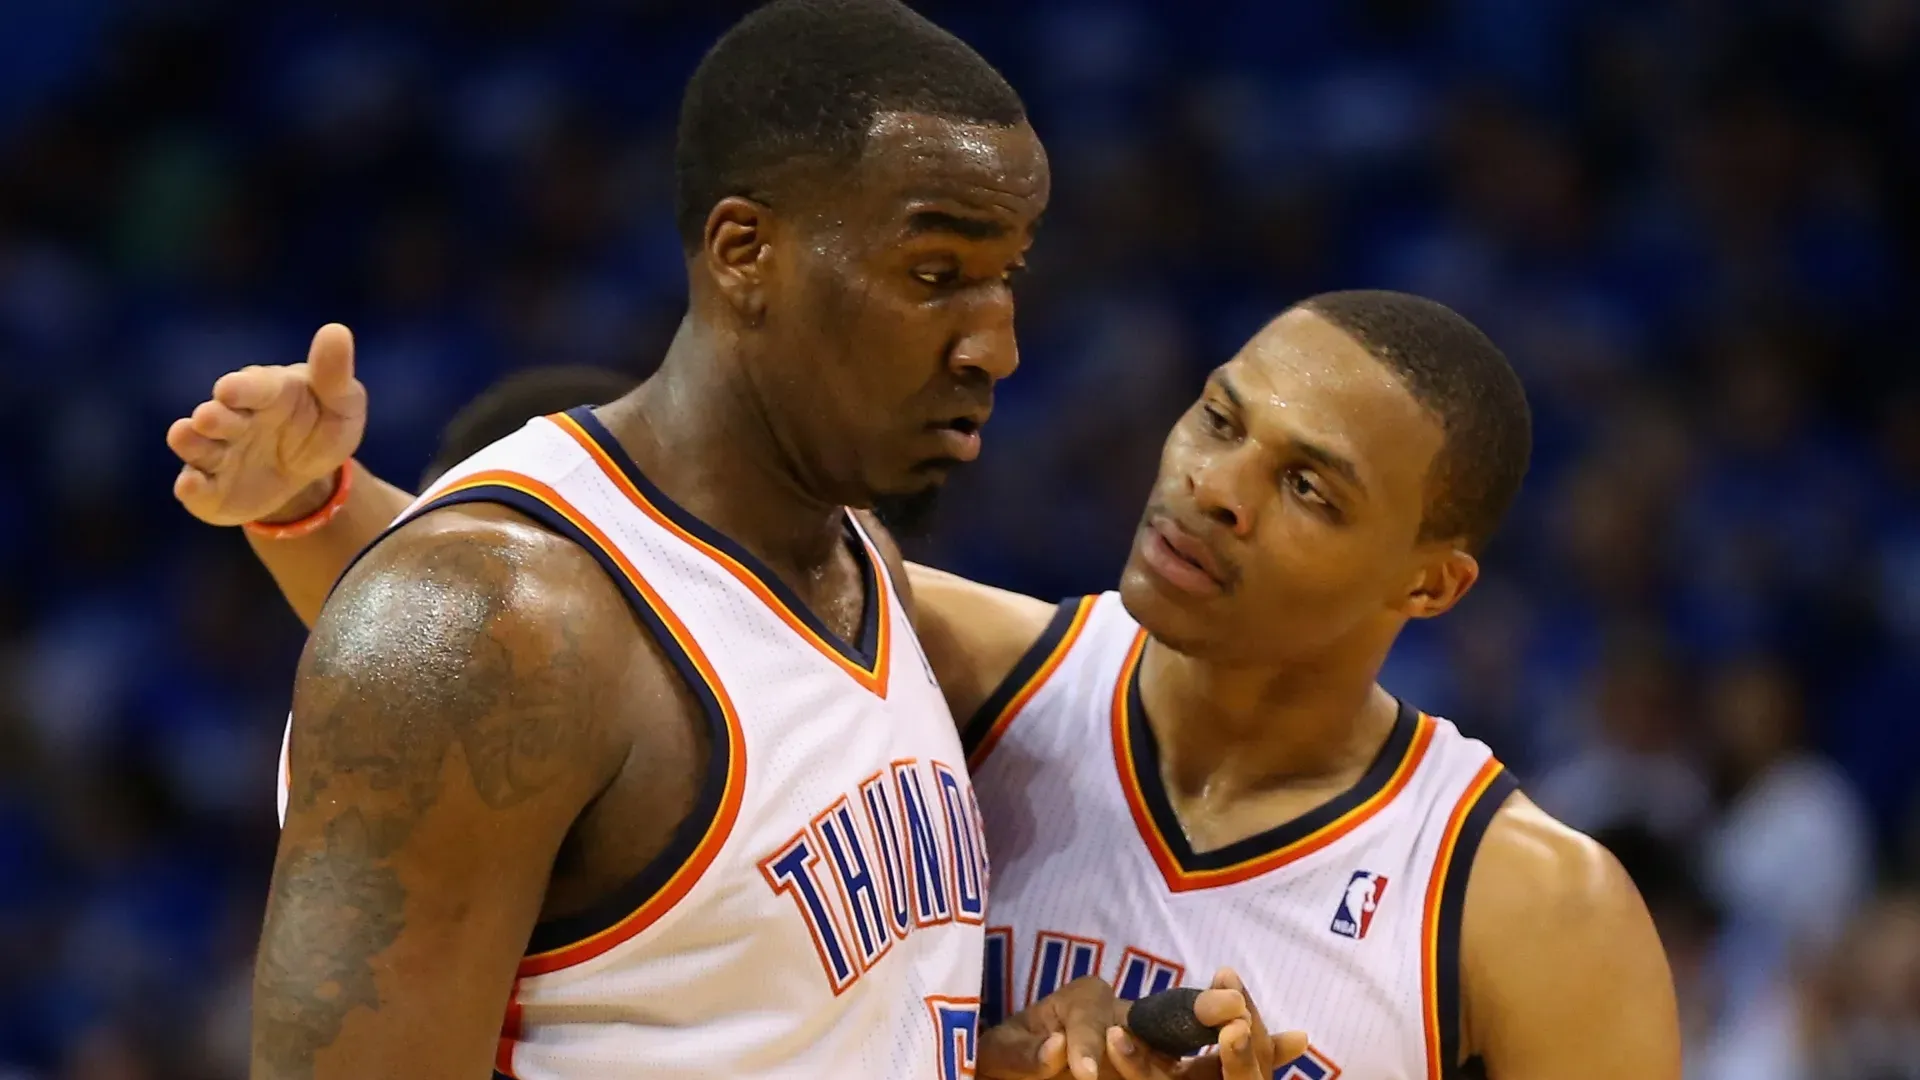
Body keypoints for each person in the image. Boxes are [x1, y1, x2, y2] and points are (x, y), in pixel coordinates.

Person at [177, 290, 1682, 1078]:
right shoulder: (955, 668)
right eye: (1220, 419)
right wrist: (315, 505)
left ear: (1430, 582)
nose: (1218, 488)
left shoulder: (1525, 909)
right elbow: (556, 644)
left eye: (1310, 488)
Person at [161, 0, 1105, 1075]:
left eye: (1007, 279)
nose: (998, 346)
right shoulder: (488, 621)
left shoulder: (857, 560)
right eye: (937, 275)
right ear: (746, 251)